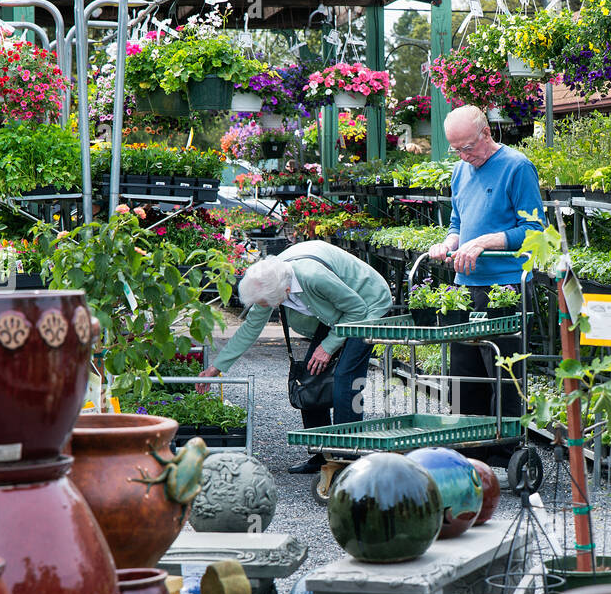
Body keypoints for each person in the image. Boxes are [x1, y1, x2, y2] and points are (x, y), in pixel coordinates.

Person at [198, 239, 393, 473]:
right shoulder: (268, 280)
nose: (264, 307)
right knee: (309, 376)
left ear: (286, 292)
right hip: (339, 312)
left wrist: (329, 346)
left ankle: (346, 456)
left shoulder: (311, 277)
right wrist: (216, 368)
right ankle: (322, 454)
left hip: (368, 303)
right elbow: (251, 328)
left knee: (345, 377)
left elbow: (358, 309)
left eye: (266, 304)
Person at [427, 105, 544, 471]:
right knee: (465, 377)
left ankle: (508, 453)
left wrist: (485, 242)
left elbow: (535, 231)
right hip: (465, 285)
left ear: (487, 134)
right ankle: (470, 456)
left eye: (467, 147)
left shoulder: (517, 166)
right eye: (456, 149)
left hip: (504, 285)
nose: (464, 156)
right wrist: (448, 243)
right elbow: (458, 222)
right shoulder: (461, 171)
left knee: (505, 375)